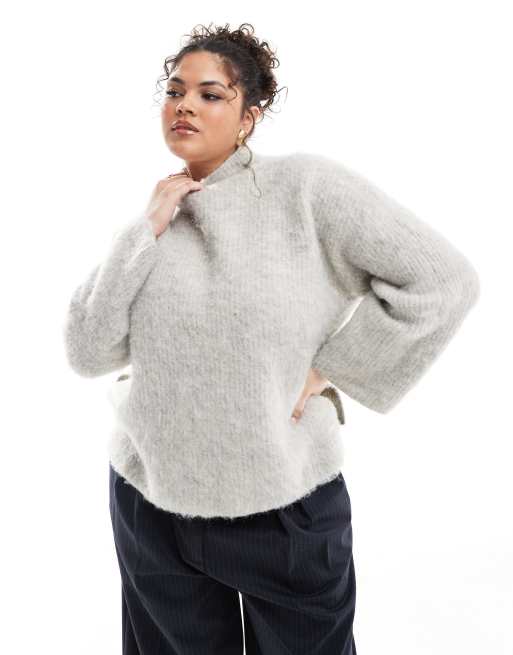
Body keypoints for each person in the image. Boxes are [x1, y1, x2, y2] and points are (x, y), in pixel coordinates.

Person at [62, 22, 480, 655]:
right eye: (175, 91)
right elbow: (87, 350)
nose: (184, 106)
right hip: (153, 503)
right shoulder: (158, 218)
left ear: (250, 116)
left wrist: (336, 367)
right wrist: (145, 228)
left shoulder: (306, 190)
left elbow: (442, 280)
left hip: (282, 508)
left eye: (210, 94)